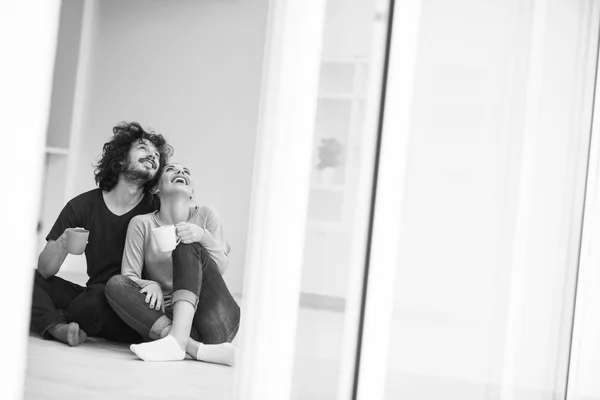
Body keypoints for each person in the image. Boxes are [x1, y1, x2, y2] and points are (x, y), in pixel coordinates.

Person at [30, 122, 173, 346]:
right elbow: (46, 270)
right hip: (94, 294)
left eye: (157, 156)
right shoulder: (82, 205)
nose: (152, 156)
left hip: (135, 303)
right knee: (25, 280)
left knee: (95, 299)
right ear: (120, 159)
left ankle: (55, 316)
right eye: (143, 148)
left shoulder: (157, 209)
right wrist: (64, 242)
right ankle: (56, 326)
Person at [105, 162, 240, 365]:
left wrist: (202, 236)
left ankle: (177, 341)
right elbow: (128, 277)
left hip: (214, 320)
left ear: (192, 193)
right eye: (171, 170)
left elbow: (221, 267)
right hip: (168, 318)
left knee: (186, 246)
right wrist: (149, 284)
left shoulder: (206, 214)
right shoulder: (141, 224)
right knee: (114, 284)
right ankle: (190, 346)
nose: (180, 172)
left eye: (186, 171)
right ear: (156, 188)